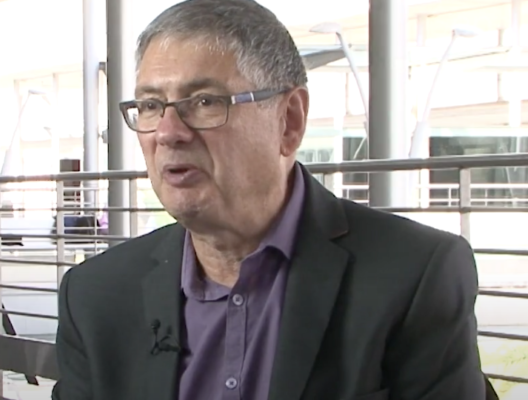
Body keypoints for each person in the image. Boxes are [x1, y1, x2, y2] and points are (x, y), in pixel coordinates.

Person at [52, 1, 493, 399]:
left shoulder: (413, 276)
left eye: (204, 101)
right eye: (150, 105)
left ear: (289, 121)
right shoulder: (95, 295)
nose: (168, 133)